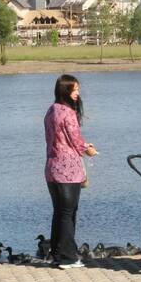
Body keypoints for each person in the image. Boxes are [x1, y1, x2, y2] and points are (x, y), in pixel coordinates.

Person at [44, 74, 98, 268]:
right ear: (65, 91)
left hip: (52, 168)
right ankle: (68, 257)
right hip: (68, 170)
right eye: (75, 90)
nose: (78, 93)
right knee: (68, 213)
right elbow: (75, 139)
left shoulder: (51, 110)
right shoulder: (67, 112)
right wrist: (88, 149)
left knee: (59, 212)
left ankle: (57, 254)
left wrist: (81, 145)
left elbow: (62, 139)